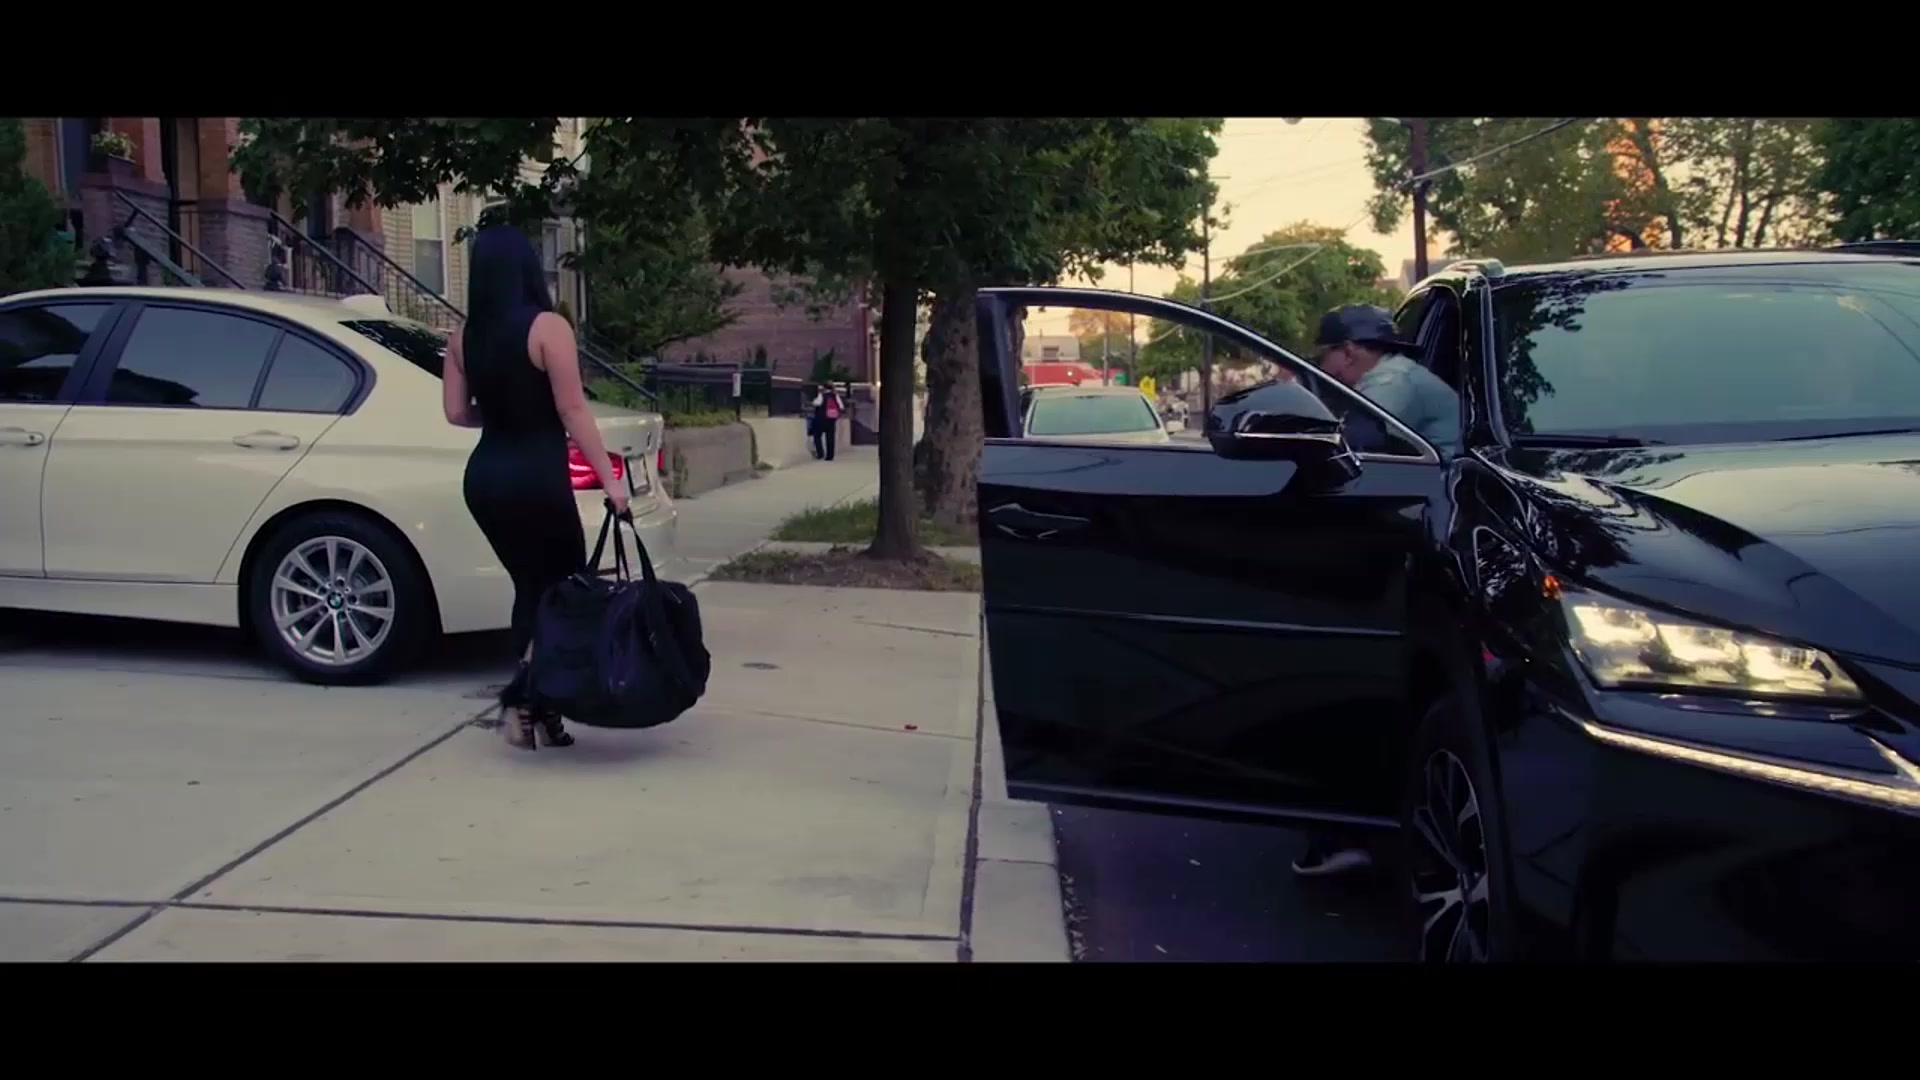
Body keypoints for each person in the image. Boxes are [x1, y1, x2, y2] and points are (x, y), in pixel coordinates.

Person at [1290, 305, 1462, 877]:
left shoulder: (1390, 382)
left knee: (1340, 680)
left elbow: (1349, 449)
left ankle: (1344, 827)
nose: (1327, 369)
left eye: (1327, 359)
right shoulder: (1403, 378)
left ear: (1350, 352)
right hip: (1429, 530)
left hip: (1434, 539)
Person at [443, 225, 628, 751]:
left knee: (531, 586)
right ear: (527, 268)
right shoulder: (548, 328)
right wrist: (612, 482)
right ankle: (523, 702)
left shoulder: (462, 337)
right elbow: (572, 409)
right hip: (536, 477)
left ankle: (542, 714)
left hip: (485, 478)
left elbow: (456, 413)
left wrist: (505, 414)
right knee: (563, 589)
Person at [1310, 303, 1462, 457]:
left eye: (1321, 357)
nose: (1321, 366)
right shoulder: (1391, 373)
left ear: (1348, 353)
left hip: (1450, 471)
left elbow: (1354, 443)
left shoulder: (1393, 382)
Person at [811, 382, 846, 461]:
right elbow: (841, 407)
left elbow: (816, 403)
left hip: (821, 419)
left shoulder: (822, 395)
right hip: (831, 419)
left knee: (817, 436)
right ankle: (830, 456)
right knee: (830, 437)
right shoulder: (835, 396)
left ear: (824, 388)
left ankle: (820, 454)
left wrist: (814, 400)